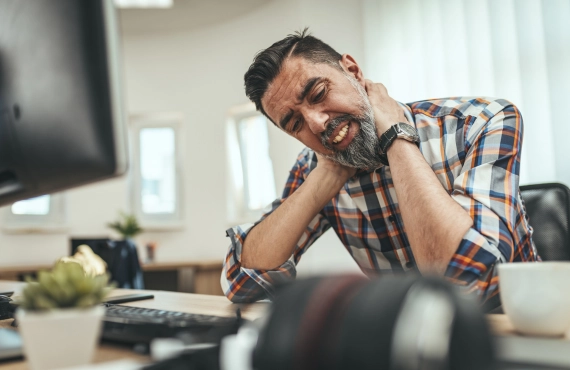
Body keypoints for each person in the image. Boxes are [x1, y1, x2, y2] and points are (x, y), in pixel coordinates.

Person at [221, 29, 539, 309]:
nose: (316, 123)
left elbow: (468, 283)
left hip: (518, 334)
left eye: (318, 94)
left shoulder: (480, 122)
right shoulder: (314, 169)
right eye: (295, 123)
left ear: (354, 71)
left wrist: (396, 138)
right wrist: (327, 175)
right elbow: (241, 282)